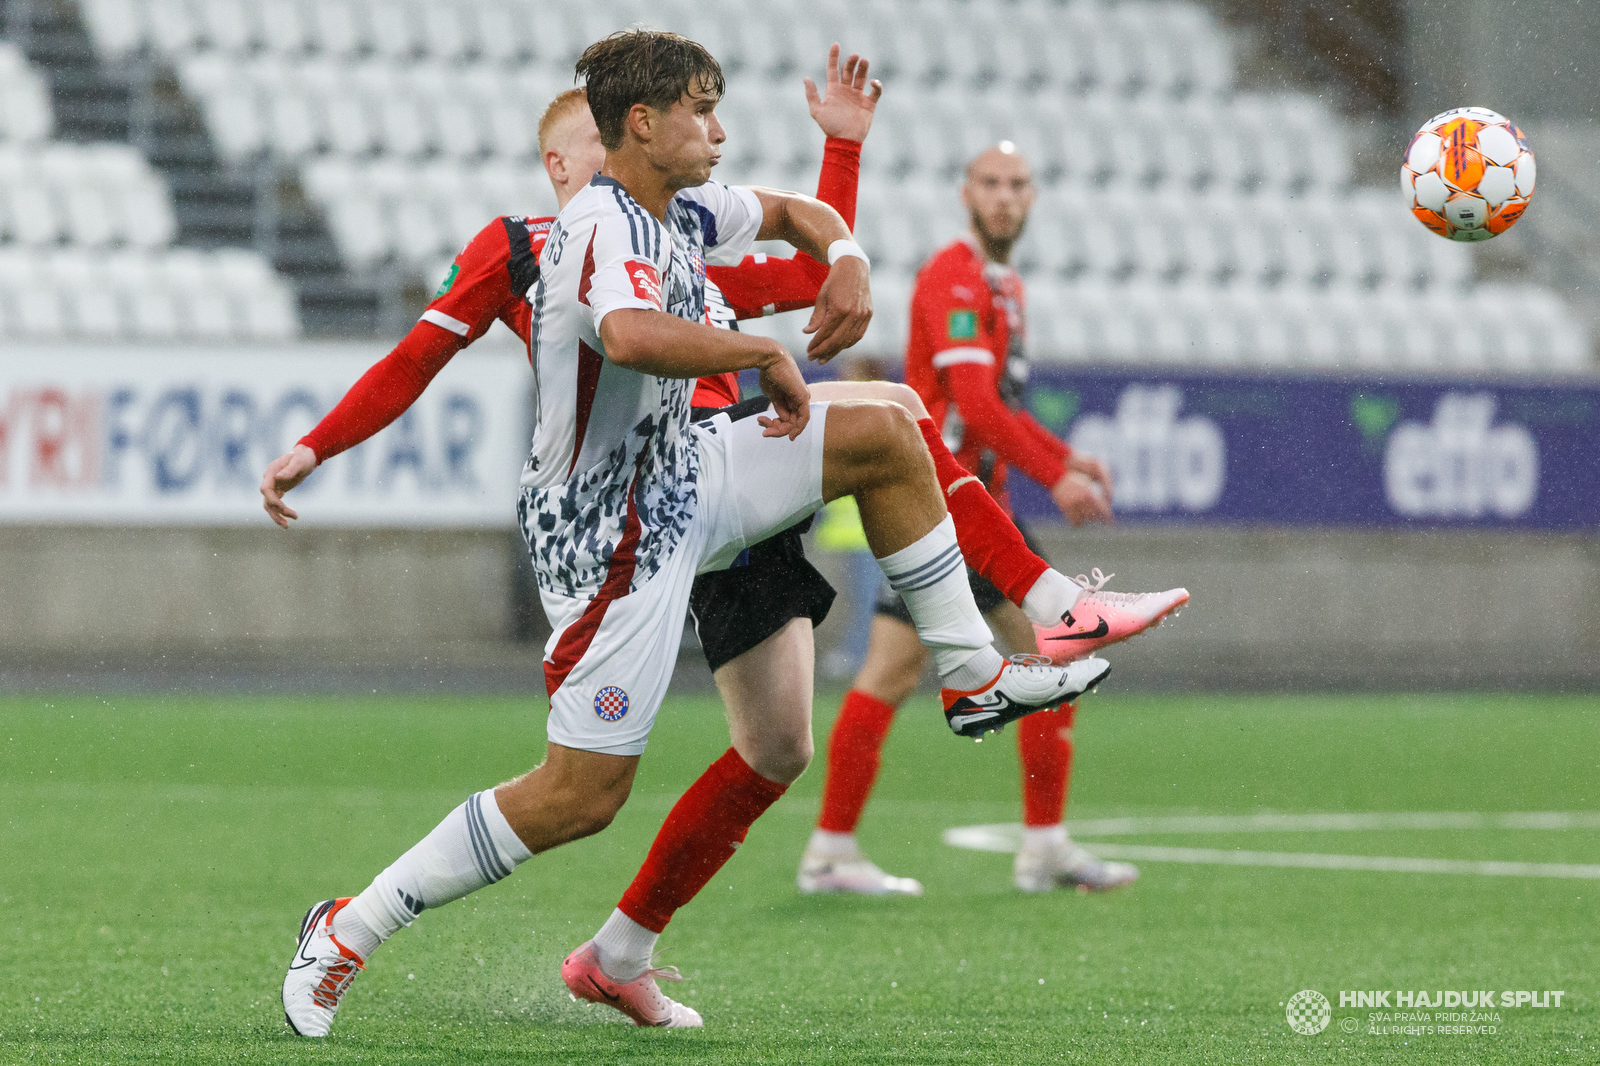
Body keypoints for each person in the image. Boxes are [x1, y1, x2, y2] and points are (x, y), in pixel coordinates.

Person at [268, 32, 1112, 1037]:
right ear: (623, 133)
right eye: (699, 112)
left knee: (886, 428)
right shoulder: (574, 235)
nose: (716, 132)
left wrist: (840, 241)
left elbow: (799, 234)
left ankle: (974, 669)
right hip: (611, 535)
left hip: (699, 474)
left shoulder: (679, 216)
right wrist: (315, 448)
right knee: (581, 796)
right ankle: (349, 926)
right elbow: (607, 339)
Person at [798, 142, 1189, 900]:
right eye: (991, 184)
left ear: (1033, 197)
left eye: (1017, 185)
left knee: (896, 670)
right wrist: (1059, 476)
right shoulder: (957, 276)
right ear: (965, 194)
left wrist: (1066, 457)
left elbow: (997, 409)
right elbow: (972, 404)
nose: (1004, 197)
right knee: (1055, 647)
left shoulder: (1000, 283)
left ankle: (835, 849)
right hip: (951, 504)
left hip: (963, 503)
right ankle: (1035, 846)